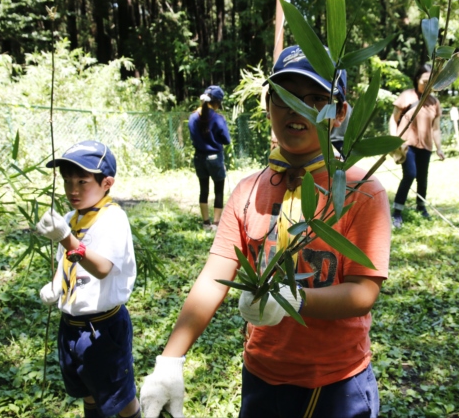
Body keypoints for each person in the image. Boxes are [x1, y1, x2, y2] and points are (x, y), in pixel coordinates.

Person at [140, 45, 391, 418]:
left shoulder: (361, 191)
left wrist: (297, 299)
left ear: (338, 112)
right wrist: (170, 361)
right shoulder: (248, 191)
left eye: (315, 99)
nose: (296, 108)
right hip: (262, 376)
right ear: (268, 103)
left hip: (335, 383)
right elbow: (214, 276)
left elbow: (363, 292)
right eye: (285, 96)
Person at [36, 140, 140, 418]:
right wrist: (55, 285)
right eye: (67, 181)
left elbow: (103, 267)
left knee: (120, 395)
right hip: (71, 326)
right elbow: (65, 260)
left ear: (107, 182)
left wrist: (67, 239)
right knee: (87, 389)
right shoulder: (70, 218)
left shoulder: (112, 219)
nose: (73, 190)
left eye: (82, 181)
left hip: (102, 327)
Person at [388, 64, 445, 229]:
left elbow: (436, 128)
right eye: (424, 80)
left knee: (423, 177)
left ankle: (421, 207)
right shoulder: (407, 96)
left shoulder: (434, 103)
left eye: (431, 81)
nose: (427, 85)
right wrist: (394, 139)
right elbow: (393, 119)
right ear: (417, 79)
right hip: (407, 144)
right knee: (410, 174)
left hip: (425, 146)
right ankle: (397, 212)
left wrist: (439, 148)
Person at [188, 85, 232, 231]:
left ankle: (205, 222)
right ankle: (216, 223)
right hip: (215, 158)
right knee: (218, 190)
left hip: (199, 157)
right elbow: (226, 140)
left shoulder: (193, 117)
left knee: (204, 189)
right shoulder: (218, 118)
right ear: (217, 102)